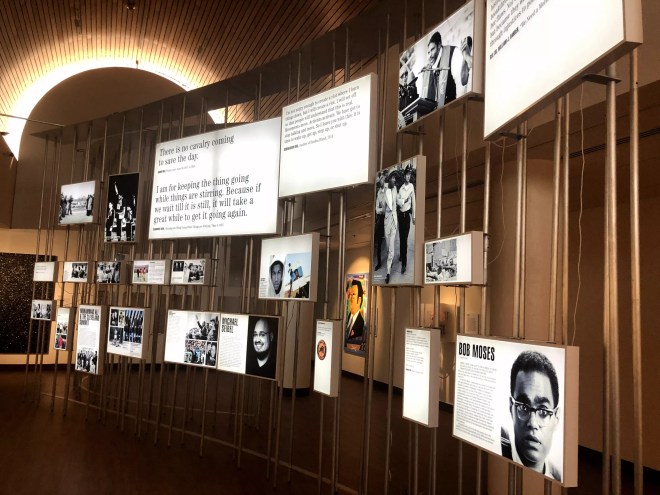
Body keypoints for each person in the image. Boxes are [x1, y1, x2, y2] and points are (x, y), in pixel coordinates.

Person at [501, 351, 562, 481]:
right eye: (523, 407)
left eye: (543, 411)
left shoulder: (558, 477)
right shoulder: (499, 450)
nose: (532, 423)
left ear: (556, 418)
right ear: (511, 408)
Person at [417, 31, 472, 109]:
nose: (430, 55)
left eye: (432, 49)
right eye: (429, 52)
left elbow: (461, 88)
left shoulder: (453, 53)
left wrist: (459, 109)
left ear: (439, 45)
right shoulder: (428, 69)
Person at [396, 166, 416, 274]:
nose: (408, 177)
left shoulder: (411, 187)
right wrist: (404, 200)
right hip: (400, 216)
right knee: (401, 237)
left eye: (409, 175)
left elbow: (413, 202)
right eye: (407, 175)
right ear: (404, 176)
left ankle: (404, 264)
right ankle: (401, 255)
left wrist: (414, 216)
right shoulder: (401, 188)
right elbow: (398, 202)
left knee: (405, 239)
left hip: (407, 215)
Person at [383, 173, 399, 283]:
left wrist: (403, 202)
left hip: (394, 221)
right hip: (387, 221)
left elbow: (397, 201)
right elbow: (382, 208)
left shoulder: (395, 189)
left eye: (395, 179)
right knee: (388, 247)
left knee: (392, 246)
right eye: (393, 178)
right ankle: (390, 258)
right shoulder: (384, 190)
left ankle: (388, 272)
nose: (394, 180)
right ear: (389, 180)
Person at [373, 174, 386, 271]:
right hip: (380, 219)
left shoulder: (388, 191)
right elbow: (377, 209)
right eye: (380, 182)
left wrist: (381, 208)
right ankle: (379, 262)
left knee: (389, 243)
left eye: (382, 181)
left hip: (387, 218)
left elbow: (387, 208)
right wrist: (381, 209)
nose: (381, 183)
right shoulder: (378, 193)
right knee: (378, 243)